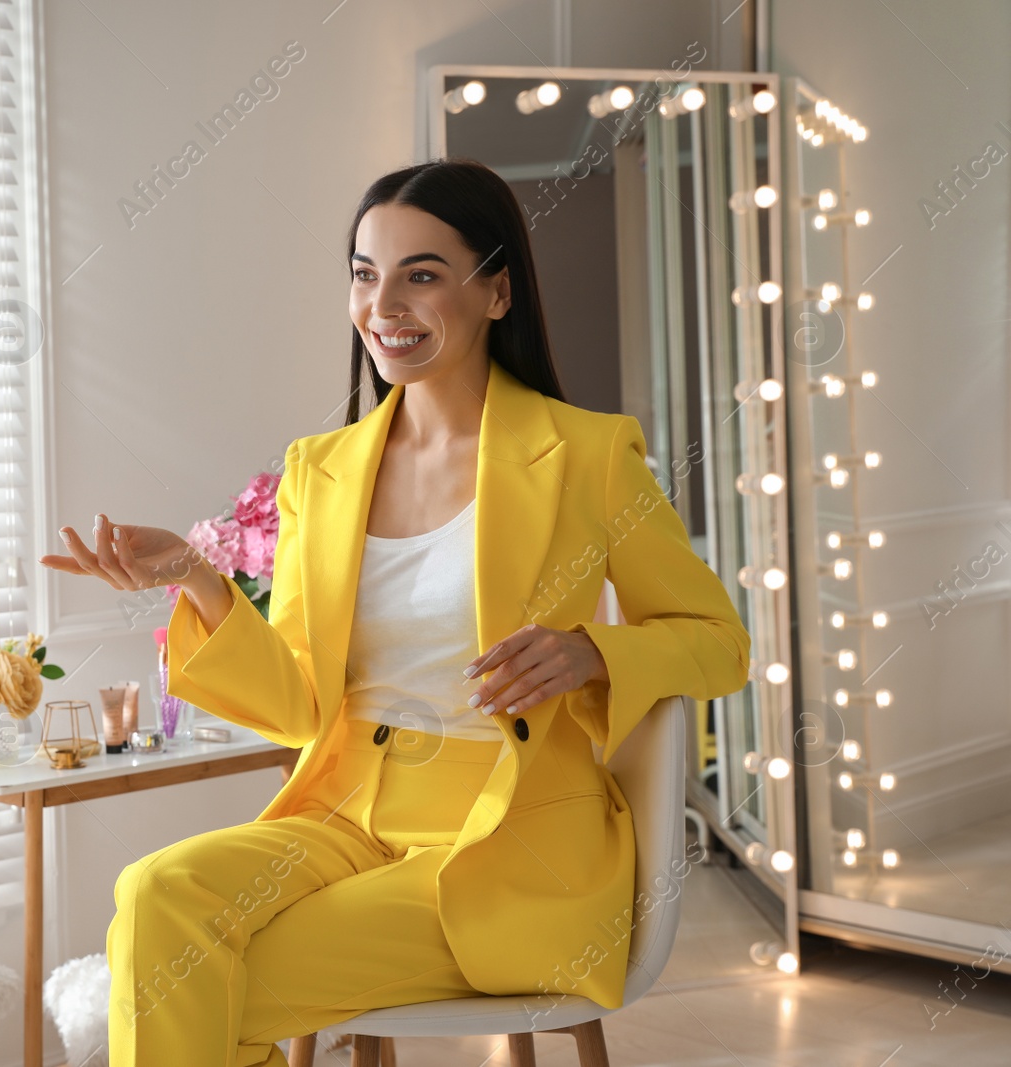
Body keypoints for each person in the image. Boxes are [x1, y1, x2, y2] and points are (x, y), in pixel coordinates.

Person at [38, 158, 750, 1067]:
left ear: (496, 291)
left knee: (201, 984)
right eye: (366, 275)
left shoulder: (589, 455)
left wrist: (592, 652)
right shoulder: (320, 471)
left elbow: (719, 643)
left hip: (509, 833)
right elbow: (296, 704)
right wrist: (196, 576)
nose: (385, 306)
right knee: (155, 894)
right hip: (346, 809)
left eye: (422, 275)